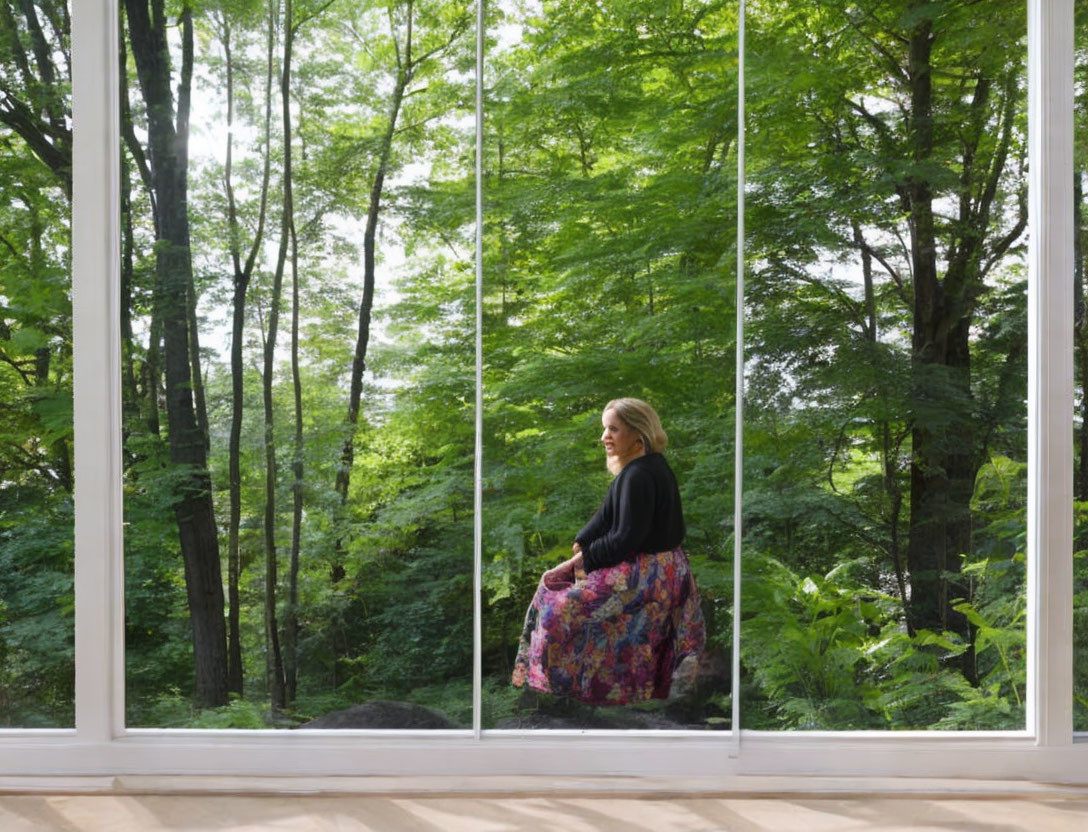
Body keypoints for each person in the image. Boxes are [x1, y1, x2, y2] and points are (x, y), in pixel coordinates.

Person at [511, 397, 705, 705]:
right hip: (662, 569)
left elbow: (626, 537)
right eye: (605, 429)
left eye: (613, 429)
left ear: (638, 436)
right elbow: (606, 515)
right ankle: (585, 694)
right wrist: (583, 541)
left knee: (555, 608)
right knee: (557, 592)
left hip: (648, 575)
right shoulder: (641, 469)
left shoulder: (639, 475)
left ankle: (571, 692)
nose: (605, 437)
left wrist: (583, 559)